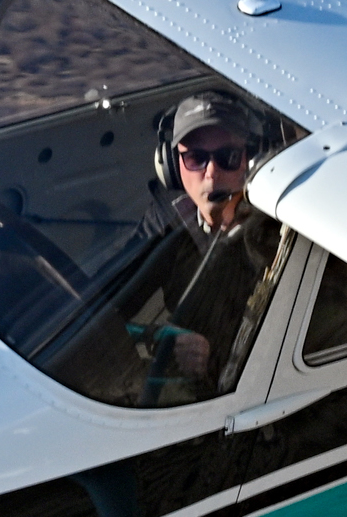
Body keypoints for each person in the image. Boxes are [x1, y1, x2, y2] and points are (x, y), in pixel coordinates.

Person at [115, 91, 288, 406]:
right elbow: (108, 310)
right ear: (171, 165)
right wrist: (161, 340)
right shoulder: (167, 221)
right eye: (195, 157)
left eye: (227, 157)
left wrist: (218, 355)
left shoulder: (280, 232)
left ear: (250, 161)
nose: (211, 173)